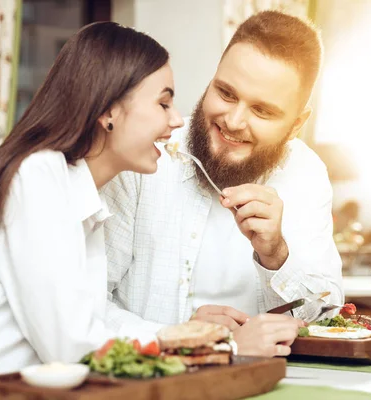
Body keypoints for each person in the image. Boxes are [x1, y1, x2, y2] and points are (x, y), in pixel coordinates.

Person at [0, 22, 183, 399]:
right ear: (109, 111)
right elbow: (71, 346)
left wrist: (183, 334)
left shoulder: (82, 197)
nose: (176, 120)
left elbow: (88, 324)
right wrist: (184, 344)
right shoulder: (37, 175)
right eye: (163, 103)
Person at [101, 11, 343, 358]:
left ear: (296, 124)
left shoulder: (305, 173)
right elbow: (83, 304)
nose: (232, 121)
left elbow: (328, 316)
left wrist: (276, 255)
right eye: (226, 93)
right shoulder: (144, 156)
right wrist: (180, 337)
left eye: (262, 111)